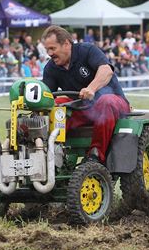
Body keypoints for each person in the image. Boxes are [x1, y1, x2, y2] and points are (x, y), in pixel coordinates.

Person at [42, 25, 130, 164]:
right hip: (84, 109)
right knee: (56, 106)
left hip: (114, 104)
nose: (50, 53)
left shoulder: (87, 50)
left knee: (105, 101)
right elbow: (47, 96)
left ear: (66, 44)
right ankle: (52, 154)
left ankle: (95, 155)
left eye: (53, 48)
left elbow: (106, 70)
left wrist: (91, 88)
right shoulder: (51, 68)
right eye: (47, 49)